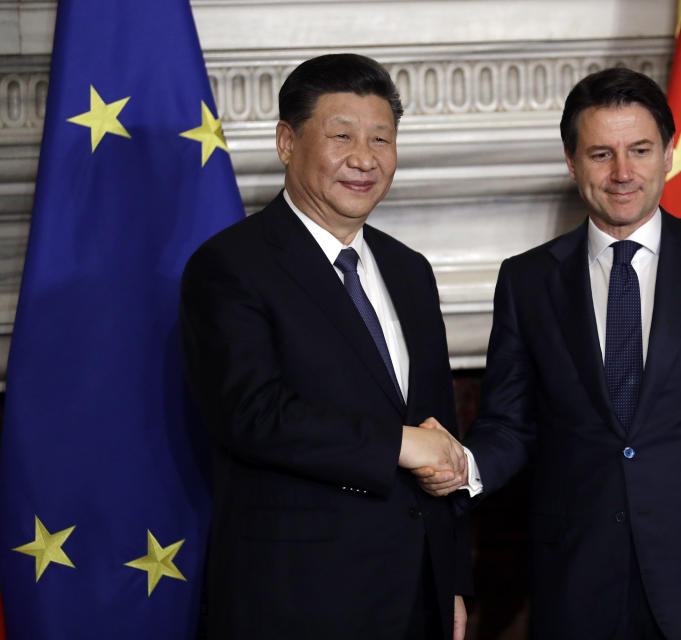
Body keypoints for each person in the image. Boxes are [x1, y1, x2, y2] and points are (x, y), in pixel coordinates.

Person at [416, 67, 681, 640]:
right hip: (577, 582)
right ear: (572, 163)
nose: (623, 172)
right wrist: (463, 466)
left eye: (640, 150)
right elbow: (509, 422)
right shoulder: (527, 281)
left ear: (668, 154)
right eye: (601, 153)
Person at [179, 53, 470, 640]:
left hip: (417, 597)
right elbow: (252, 414)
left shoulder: (410, 270)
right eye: (342, 136)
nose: (365, 159)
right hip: (295, 601)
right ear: (287, 141)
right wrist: (400, 444)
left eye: (381, 139)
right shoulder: (230, 265)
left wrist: (453, 582)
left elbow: (440, 432)